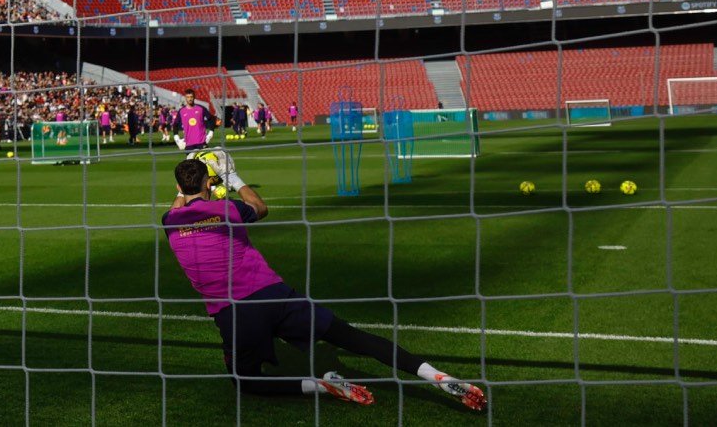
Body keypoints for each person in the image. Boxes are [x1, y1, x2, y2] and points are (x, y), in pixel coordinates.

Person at [162, 153, 486, 410]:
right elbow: (260, 208)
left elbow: (178, 206)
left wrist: (185, 186)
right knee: (352, 337)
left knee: (245, 382)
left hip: (234, 313)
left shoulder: (170, 221)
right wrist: (233, 177)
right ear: (208, 183)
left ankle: (320, 385)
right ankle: (434, 375)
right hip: (276, 296)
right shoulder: (226, 209)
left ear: (180, 187)